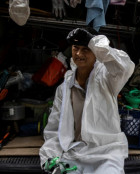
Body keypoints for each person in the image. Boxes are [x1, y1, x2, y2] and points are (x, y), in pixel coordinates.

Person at [39, 27, 135, 174]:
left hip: (106, 154)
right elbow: (54, 129)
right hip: (74, 153)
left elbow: (125, 67)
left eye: (86, 49)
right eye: (75, 48)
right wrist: (50, 157)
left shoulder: (107, 78)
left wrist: (94, 42)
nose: (79, 54)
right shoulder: (64, 88)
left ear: (95, 52)